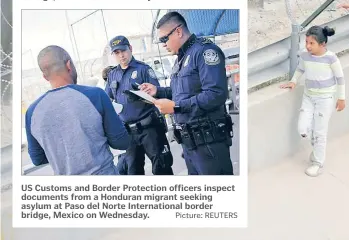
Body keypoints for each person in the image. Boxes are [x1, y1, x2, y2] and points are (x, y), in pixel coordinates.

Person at [140, 12, 233, 176]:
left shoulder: (204, 52)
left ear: (178, 31)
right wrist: (158, 91)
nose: (163, 44)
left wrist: (175, 107)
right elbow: (182, 93)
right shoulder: (181, 59)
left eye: (164, 39)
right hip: (190, 144)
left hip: (209, 143)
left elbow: (216, 94)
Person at [25, 46, 130, 175]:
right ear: (69, 65)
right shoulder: (96, 95)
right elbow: (122, 142)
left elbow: (38, 159)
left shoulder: (32, 112)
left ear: (45, 77)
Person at [280, 26, 346, 177]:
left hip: (325, 99)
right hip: (308, 97)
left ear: (323, 44)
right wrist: (294, 81)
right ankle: (316, 150)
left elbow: (340, 79)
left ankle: (317, 162)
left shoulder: (331, 58)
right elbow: (300, 69)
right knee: (303, 129)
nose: (308, 46)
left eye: (311, 43)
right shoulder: (305, 56)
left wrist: (341, 98)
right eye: (306, 42)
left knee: (320, 132)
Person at [105, 35, 173, 175]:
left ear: (130, 49)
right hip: (129, 133)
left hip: (150, 129)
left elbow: (158, 92)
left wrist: (147, 93)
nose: (121, 55)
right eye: (117, 53)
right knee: (133, 172)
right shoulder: (112, 75)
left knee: (162, 169)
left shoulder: (143, 69)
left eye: (123, 51)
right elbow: (107, 98)